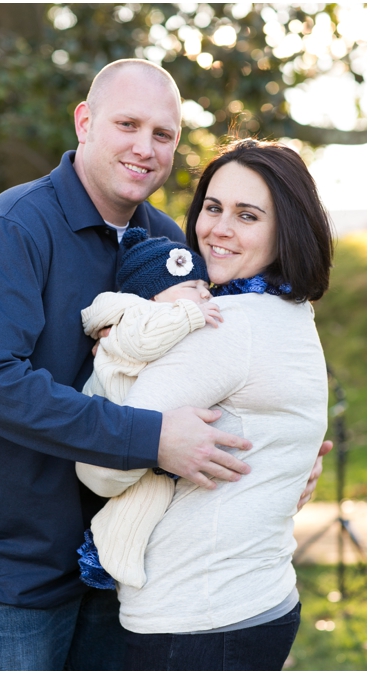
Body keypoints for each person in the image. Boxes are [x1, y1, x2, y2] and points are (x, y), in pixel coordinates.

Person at [0, 58, 329, 671]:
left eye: (162, 135)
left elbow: (227, 363)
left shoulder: (170, 244)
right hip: (4, 575)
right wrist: (153, 439)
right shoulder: (14, 228)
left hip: (116, 570)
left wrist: (278, 456)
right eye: (127, 125)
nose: (145, 147)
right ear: (85, 122)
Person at [112, 138, 333, 670]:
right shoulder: (290, 314)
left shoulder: (229, 325)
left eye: (248, 215)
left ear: (287, 230)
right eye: (213, 207)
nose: (219, 229)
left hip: (198, 621)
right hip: (255, 602)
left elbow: (100, 469)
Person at [74, 227, 222, 591]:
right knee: (148, 490)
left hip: (134, 438)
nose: (203, 294)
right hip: (109, 434)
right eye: (191, 287)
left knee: (153, 495)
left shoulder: (158, 315)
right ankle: (108, 548)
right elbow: (141, 344)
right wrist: (191, 316)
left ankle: (113, 550)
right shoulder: (130, 315)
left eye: (205, 287)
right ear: (152, 293)